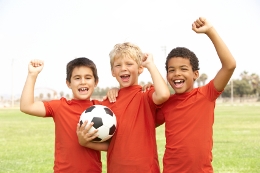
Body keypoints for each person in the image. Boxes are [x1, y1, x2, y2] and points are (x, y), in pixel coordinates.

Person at [156, 17, 236, 173]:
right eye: (171, 70)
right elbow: (142, 123)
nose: (177, 73)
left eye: (183, 69)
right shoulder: (166, 102)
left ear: (195, 74)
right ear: (166, 76)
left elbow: (230, 65)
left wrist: (210, 31)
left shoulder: (206, 94)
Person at [77, 42, 171, 173]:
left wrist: (150, 65)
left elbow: (164, 94)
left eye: (129, 64)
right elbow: (111, 145)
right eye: (118, 65)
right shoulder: (106, 105)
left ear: (140, 68)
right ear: (113, 72)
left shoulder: (145, 95)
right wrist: (85, 142)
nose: (123, 68)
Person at [20, 57, 103, 173]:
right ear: (68, 83)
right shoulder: (60, 106)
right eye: (77, 78)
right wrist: (32, 74)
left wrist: (114, 90)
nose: (83, 82)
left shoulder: (102, 109)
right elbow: (26, 106)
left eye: (88, 77)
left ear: (96, 82)